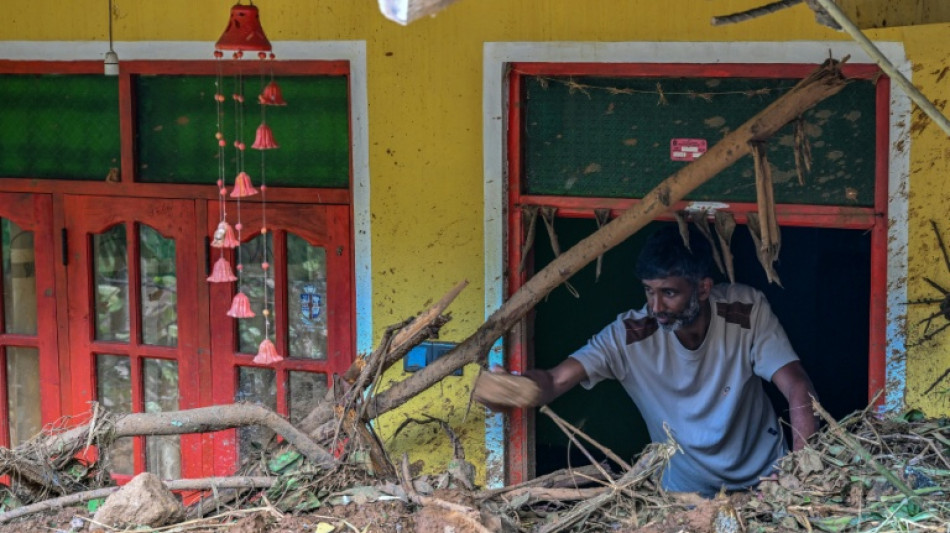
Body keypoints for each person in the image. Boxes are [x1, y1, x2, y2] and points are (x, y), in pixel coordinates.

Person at [479, 224, 818, 497]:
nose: (656, 307)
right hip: (684, 498)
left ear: (703, 288)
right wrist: (521, 388)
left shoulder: (744, 310)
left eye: (669, 293)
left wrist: (798, 473)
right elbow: (555, 380)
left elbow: (797, 385)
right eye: (648, 291)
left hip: (766, 483)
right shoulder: (629, 336)